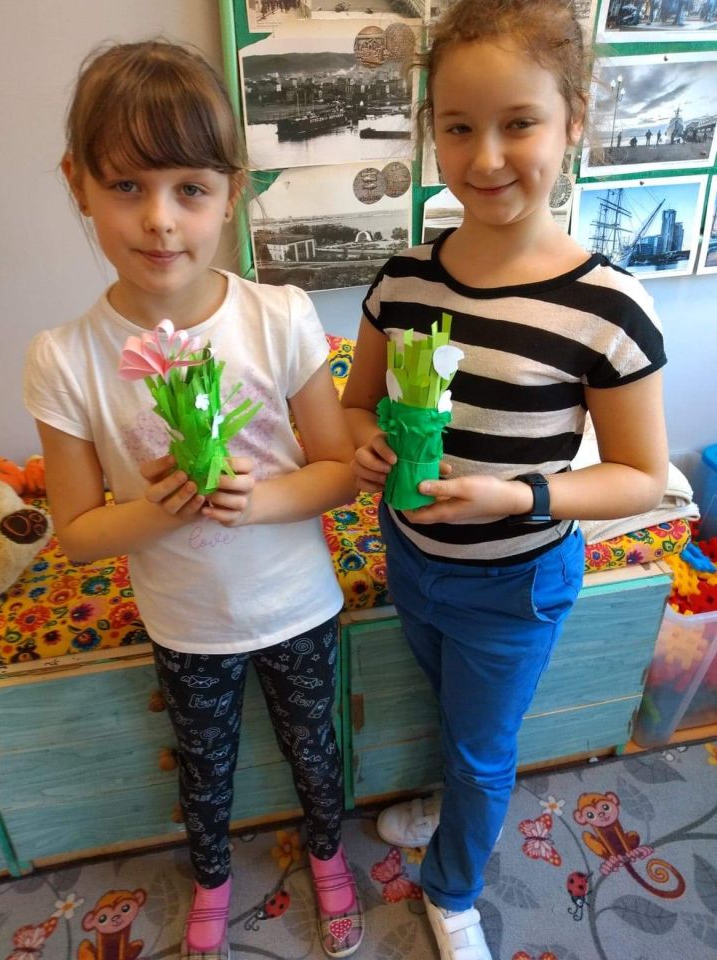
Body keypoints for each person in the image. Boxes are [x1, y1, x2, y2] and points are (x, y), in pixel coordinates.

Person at [340, 1, 668, 958]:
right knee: (455, 717)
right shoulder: (403, 279)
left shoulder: (607, 307)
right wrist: (364, 445)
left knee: (484, 749)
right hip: (411, 554)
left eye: (518, 123)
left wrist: (521, 496)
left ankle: (452, 890)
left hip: (514, 579)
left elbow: (639, 477)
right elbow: (355, 406)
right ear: (431, 132)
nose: (485, 158)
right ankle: (454, 800)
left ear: (572, 122)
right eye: (457, 127)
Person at [23, 40, 363, 960]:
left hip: (297, 604)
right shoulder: (65, 358)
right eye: (126, 186)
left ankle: (328, 855)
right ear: (78, 184)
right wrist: (167, 508)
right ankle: (211, 877)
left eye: (190, 189)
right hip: (185, 622)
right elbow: (78, 536)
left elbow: (340, 473)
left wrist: (255, 501)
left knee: (315, 749)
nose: (160, 220)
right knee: (204, 768)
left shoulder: (277, 315)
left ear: (232, 192)